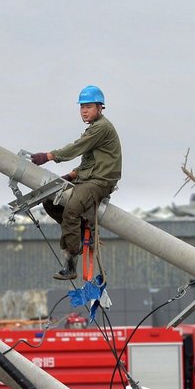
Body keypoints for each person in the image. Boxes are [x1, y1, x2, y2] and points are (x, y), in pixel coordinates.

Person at [30, 85, 122, 280]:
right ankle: (79, 230)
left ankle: (71, 263)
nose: (84, 111)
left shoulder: (101, 128)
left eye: (88, 106)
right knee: (51, 200)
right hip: (88, 178)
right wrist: (71, 176)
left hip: (100, 181)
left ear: (100, 107)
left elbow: (76, 148)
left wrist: (48, 156)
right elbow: (88, 162)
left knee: (71, 209)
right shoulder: (93, 130)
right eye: (82, 107)